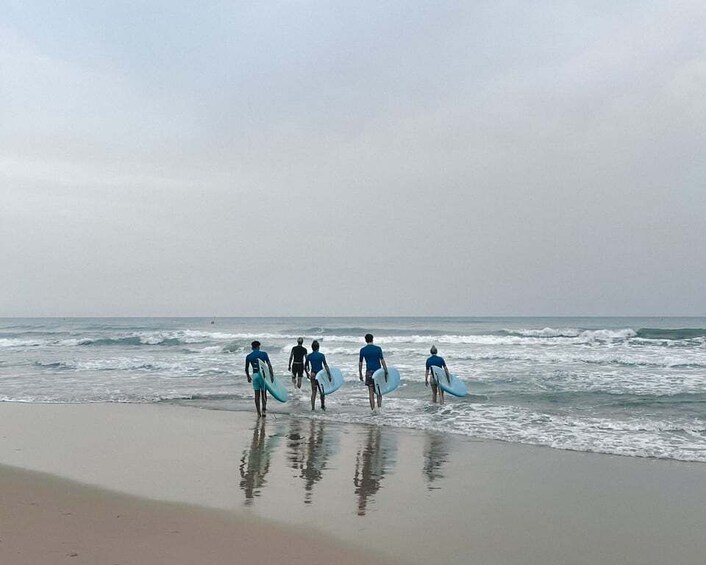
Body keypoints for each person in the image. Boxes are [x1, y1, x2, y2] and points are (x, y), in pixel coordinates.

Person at [358, 333, 387, 411]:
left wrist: (360, 373)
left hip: (369, 372)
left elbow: (360, 363)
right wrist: (386, 370)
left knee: (371, 392)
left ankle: (373, 410)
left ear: (365, 340)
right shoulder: (378, 349)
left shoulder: (363, 350)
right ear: (372, 339)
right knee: (379, 391)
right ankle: (379, 409)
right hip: (378, 372)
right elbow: (382, 360)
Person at [244, 340, 273, 417]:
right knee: (264, 393)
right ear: (258, 347)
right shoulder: (264, 354)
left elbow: (246, 368)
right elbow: (269, 365)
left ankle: (258, 413)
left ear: (252, 347)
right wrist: (271, 375)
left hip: (255, 375)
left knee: (257, 395)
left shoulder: (249, 356)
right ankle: (264, 410)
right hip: (263, 375)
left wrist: (248, 376)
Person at [305, 340, 329, 411]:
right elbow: (325, 365)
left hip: (313, 374)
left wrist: (307, 374)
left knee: (314, 392)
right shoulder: (321, 355)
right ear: (318, 347)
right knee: (322, 391)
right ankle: (322, 406)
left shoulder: (309, 356)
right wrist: (329, 374)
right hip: (320, 375)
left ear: (312, 348)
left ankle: (313, 408)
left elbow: (305, 366)